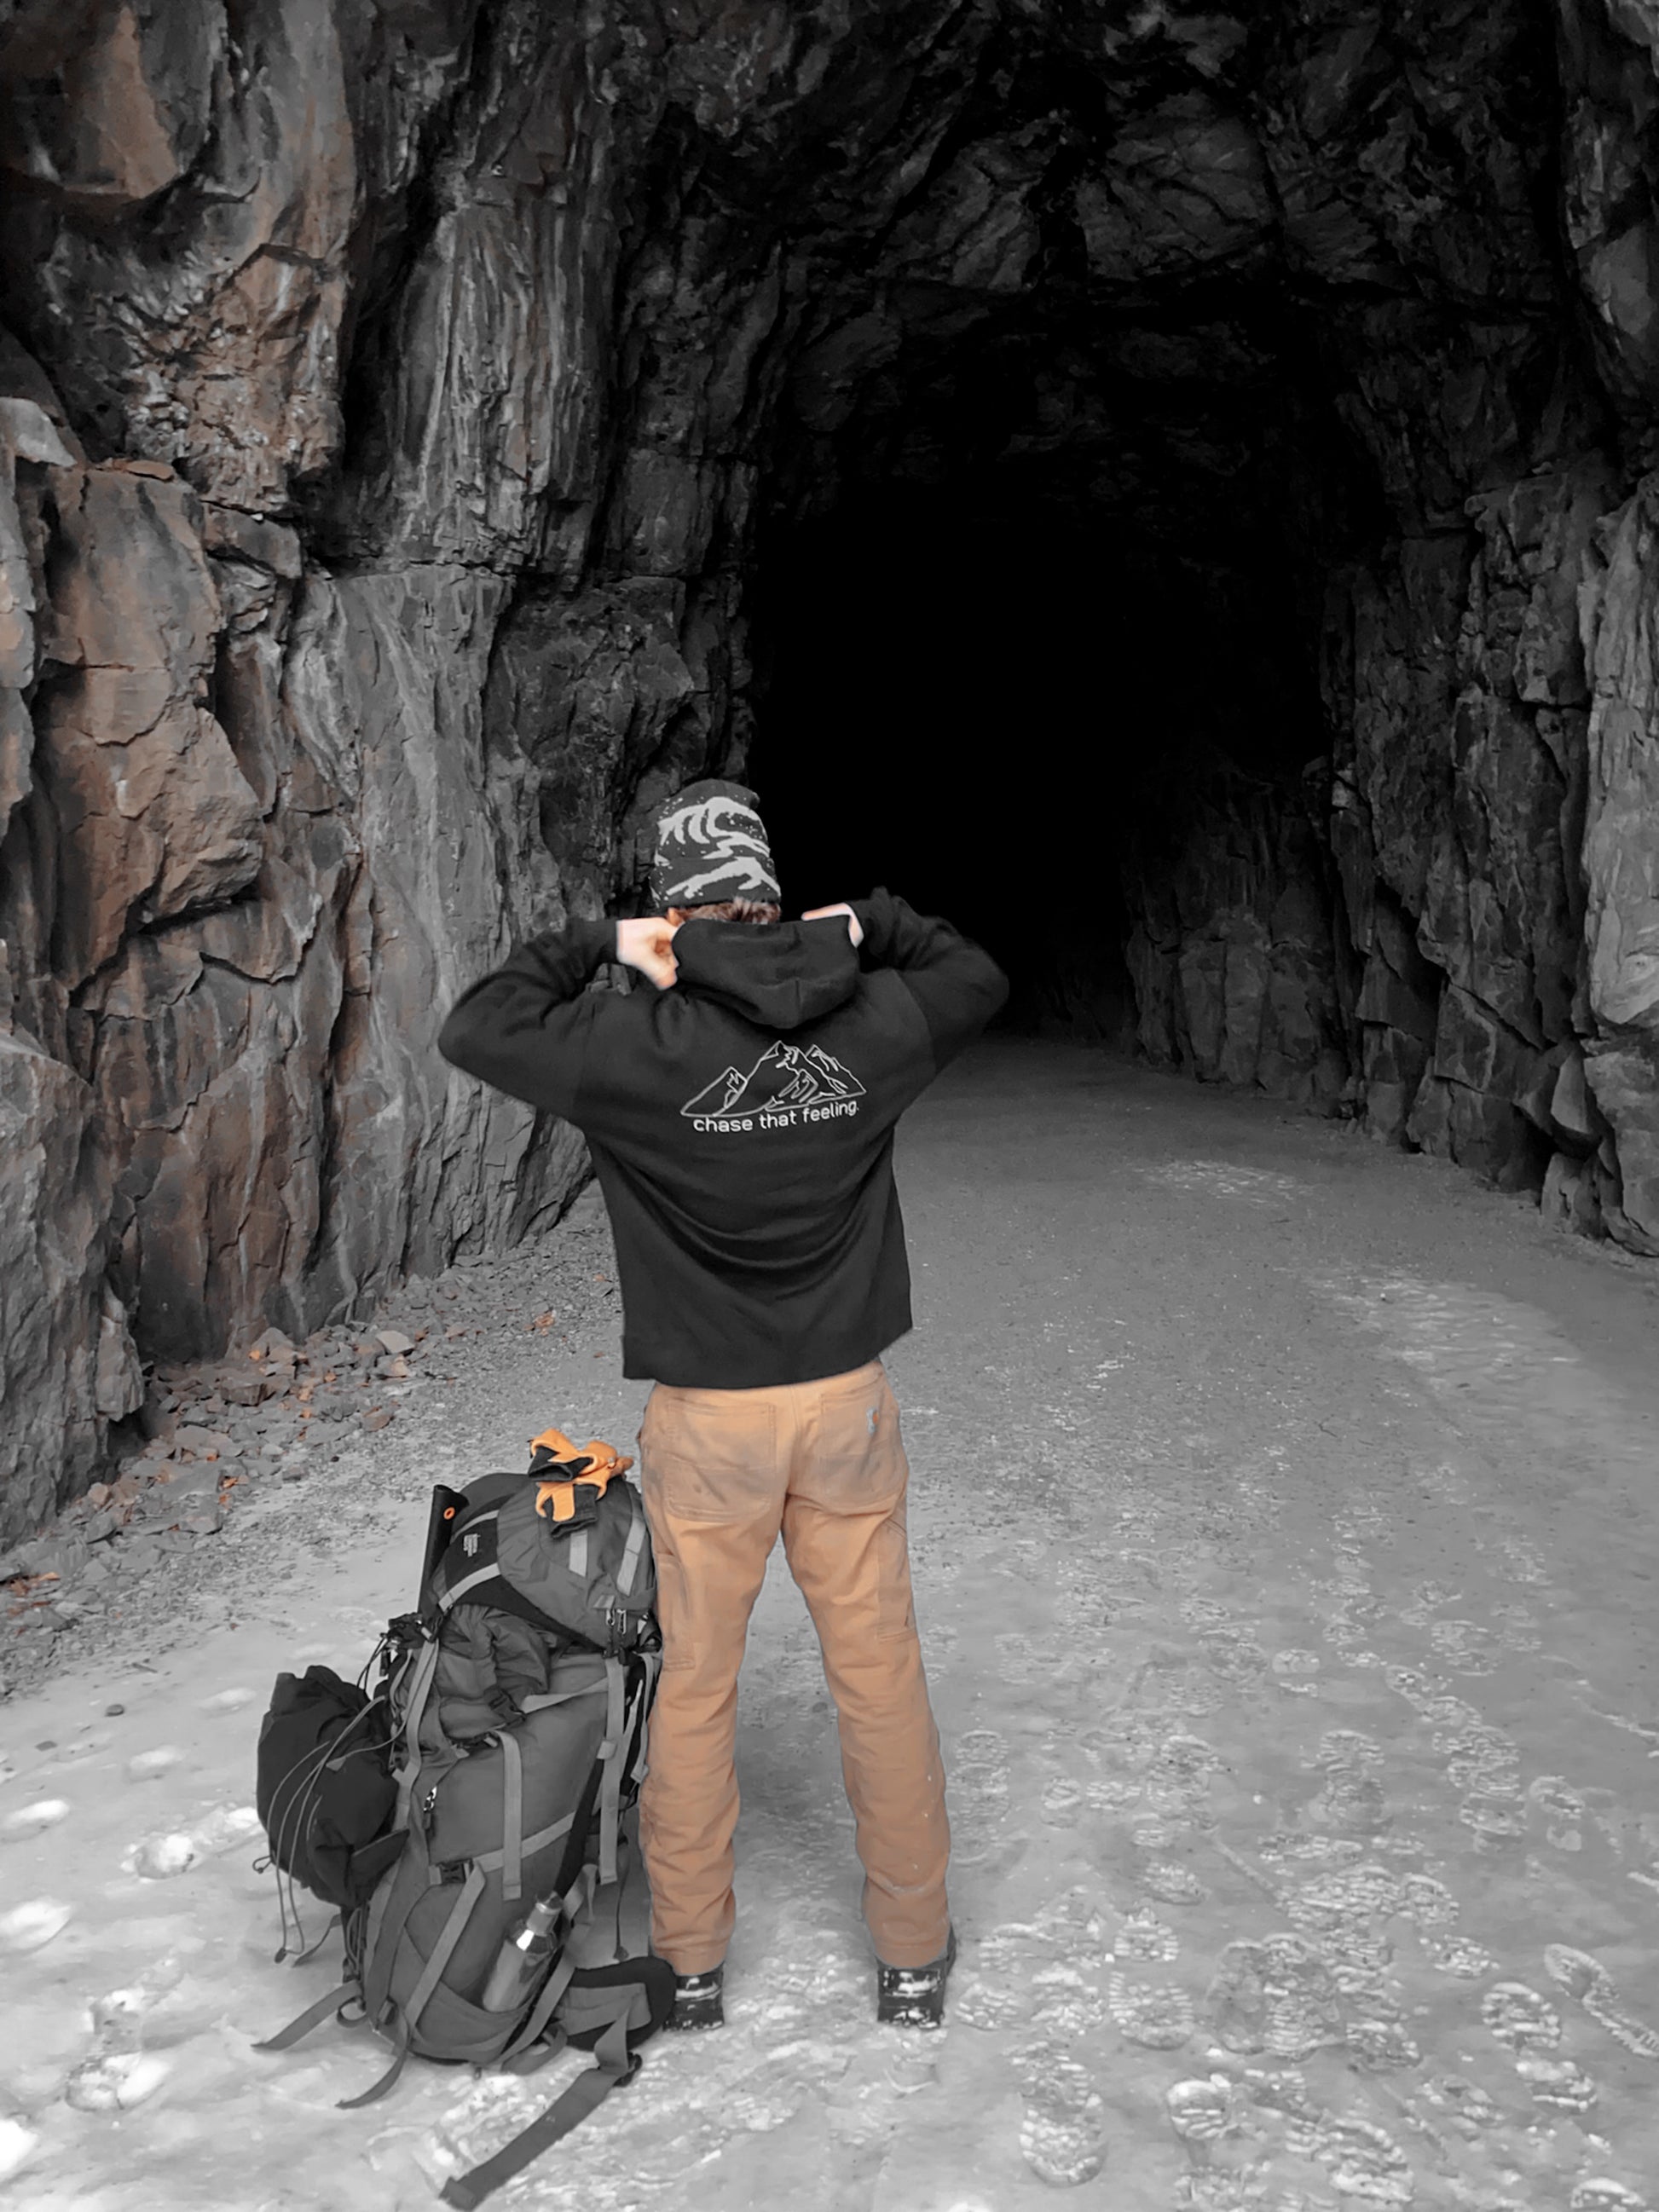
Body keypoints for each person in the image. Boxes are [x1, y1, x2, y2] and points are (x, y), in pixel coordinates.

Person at [437, 778, 1007, 2030]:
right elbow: (975, 973)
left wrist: (606, 943)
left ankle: (691, 1967)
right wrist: (863, 923)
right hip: (844, 1406)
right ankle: (912, 1956)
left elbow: (478, 1024)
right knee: (880, 1679)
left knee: (696, 1690)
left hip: (708, 1424)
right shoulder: (878, 1024)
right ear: (767, 891)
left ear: (674, 905)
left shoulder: (625, 1048)